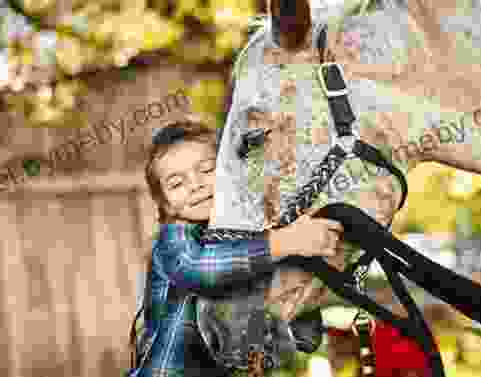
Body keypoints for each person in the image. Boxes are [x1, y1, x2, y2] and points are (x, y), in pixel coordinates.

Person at [126, 119, 344, 377]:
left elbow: (304, 338)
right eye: (176, 183)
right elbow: (202, 269)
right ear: (166, 204)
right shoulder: (173, 241)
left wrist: (302, 309)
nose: (195, 185)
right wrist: (286, 241)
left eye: (206, 170)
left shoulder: (244, 240)